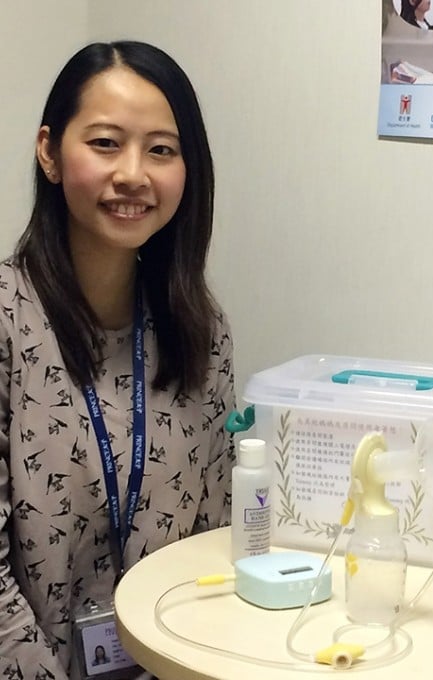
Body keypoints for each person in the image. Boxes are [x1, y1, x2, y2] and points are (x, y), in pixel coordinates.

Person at [0, 41, 235, 679]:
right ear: (50, 152)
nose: (133, 174)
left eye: (161, 150)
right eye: (106, 143)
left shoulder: (199, 328)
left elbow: (213, 540)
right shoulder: (9, 321)